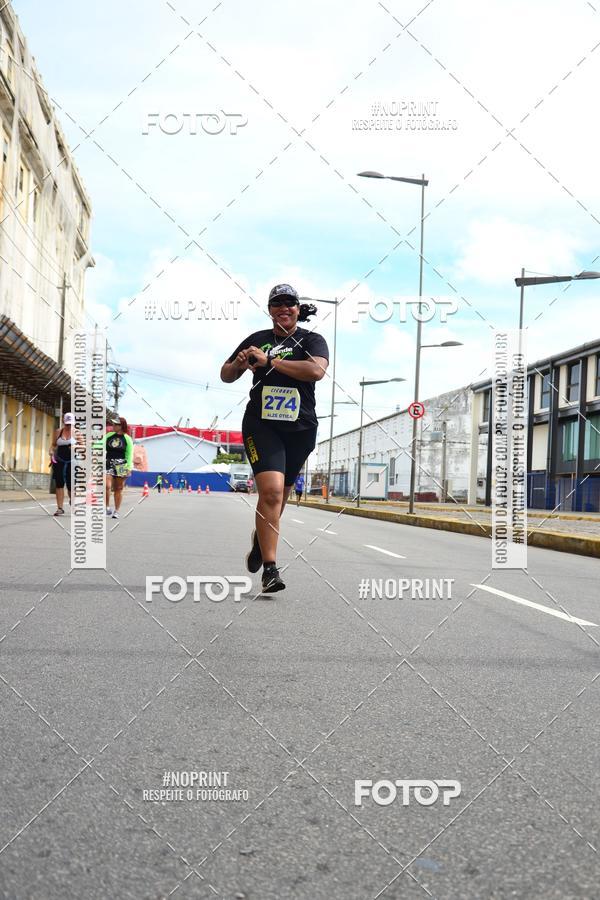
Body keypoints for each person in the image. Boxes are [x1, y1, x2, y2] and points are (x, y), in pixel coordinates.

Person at [221, 283, 329, 593]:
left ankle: (259, 542)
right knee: (270, 493)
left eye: (289, 303)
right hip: (261, 425)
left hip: (301, 428)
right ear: (269, 310)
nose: (284, 308)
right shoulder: (257, 340)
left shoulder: (311, 339)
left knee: (279, 497)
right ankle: (270, 568)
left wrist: (270, 362)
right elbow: (225, 374)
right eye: (277, 303)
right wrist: (241, 363)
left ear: (297, 309)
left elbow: (316, 371)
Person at [49, 412, 80, 516]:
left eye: (70, 424)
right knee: (59, 484)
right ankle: (60, 508)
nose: (68, 426)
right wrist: (51, 451)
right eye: (67, 424)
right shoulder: (58, 432)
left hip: (72, 461)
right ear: (63, 422)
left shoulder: (77, 433)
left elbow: (84, 447)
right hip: (59, 461)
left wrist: (76, 447)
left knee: (71, 485)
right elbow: (53, 445)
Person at [103, 416, 134, 519]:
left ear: (121, 426)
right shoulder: (109, 435)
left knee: (118, 488)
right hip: (109, 462)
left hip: (121, 464)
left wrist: (129, 468)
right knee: (106, 485)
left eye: (116, 424)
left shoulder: (127, 438)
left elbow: (129, 454)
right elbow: (99, 444)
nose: (114, 426)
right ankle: (107, 508)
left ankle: (116, 511)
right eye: (113, 424)